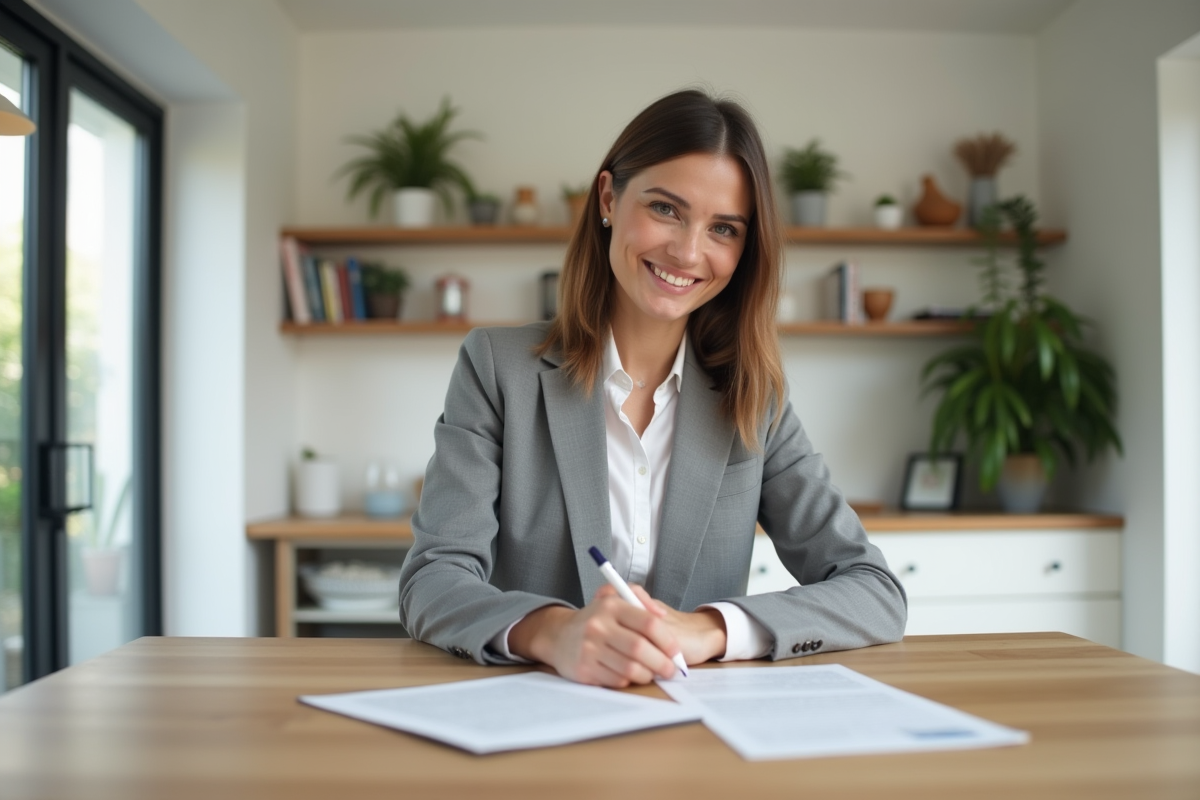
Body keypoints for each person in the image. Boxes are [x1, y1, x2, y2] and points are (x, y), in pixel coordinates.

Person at [398, 89, 906, 688]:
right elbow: (432, 579)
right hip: (536, 715)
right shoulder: (497, 368)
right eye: (666, 209)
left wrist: (712, 629)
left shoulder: (754, 397)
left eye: (723, 228)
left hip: (696, 729)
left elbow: (875, 592)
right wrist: (553, 631)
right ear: (609, 198)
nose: (688, 251)